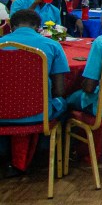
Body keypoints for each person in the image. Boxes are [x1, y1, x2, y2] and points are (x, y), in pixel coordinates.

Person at [0, 10, 69, 176]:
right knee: (65, 104)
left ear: (11, 27)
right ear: (39, 28)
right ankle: (44, 153)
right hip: (39, 114)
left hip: (2, 113)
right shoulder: (52, 45)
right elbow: (60, 90)